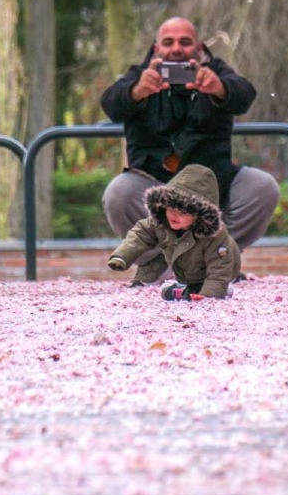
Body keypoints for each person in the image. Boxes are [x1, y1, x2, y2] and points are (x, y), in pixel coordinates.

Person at [101, 16, 279, 284]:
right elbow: (110, 103)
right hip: (153, 183)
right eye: (168, 42)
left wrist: (219, 89)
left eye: (185, 42)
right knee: (118, 193)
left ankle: (216, 258)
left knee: (263, 186)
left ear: (198, 47)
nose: (176, 49)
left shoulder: (216, 71)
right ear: (156, 47)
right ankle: (157, 264)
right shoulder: (140, 74)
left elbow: (245, 94)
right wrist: (137, 92)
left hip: (212, 183)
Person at [107, 164, 242, 300]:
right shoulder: (160, 223)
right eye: (170, 208)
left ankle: (215, 289)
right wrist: (122, 256)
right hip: (186, 270)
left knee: (201, 288)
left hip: (223, 265)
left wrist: (208, 295)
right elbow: (139, 235)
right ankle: (181, 288)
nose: (174, 215)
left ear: (199, 215)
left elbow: (220, 269)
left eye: (183, 212)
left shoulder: (215, 236)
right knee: (178, 290)